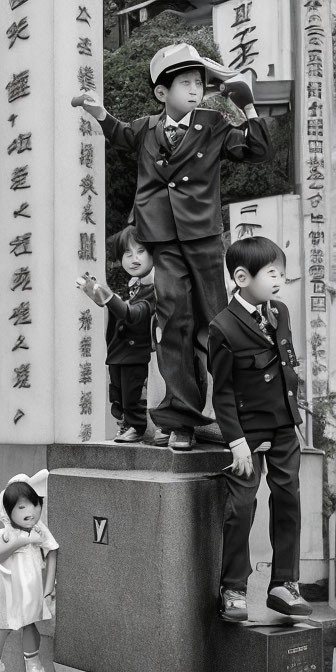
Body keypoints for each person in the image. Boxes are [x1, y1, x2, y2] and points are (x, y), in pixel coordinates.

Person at [73, 43, 273, 449]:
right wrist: (96, 110)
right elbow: (119, 133)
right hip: (162, 238)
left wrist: (248, 108)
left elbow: (257, 150)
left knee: (217, 322)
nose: (196, 88)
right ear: (162, 93)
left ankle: (238, 411)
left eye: (199, 82)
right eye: (185, 82)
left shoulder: (214, 123)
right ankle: (182, 419)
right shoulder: (147, 127)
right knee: (174, 323)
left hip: (201, 237)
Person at [208, 236, 309, 622]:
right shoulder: (223, 327)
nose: (280, 280)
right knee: (241, 507)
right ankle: (232, 587)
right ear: (241, 276)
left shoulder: (279, 311)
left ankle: (285, 585)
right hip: (246, 433)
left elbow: (285, 366)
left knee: (288, 500)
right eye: (272, 273)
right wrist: (236, 442)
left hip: (284, 426)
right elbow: (224, 391)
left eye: (281, 272)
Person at [77, 225, 155, 442]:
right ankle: (126, 424)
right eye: (127, 254)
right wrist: (96, 293)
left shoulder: (155, 289)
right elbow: (119, 310)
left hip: (137, 354)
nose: (134, 259)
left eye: (140, 252)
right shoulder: (134, 286)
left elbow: (132, 314)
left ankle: (137, 427)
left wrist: (104, 294)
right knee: (118, 396)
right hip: (119, 353)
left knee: (133, 395)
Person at [0, 470, 58, 672]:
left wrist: (48, 588)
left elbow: (52, 550)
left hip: (31, 588)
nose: (30, 511)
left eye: (34, 504)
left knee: (29, 623)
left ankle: (33, 663)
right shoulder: (5, 533)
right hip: (8, 587)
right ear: (8, 510)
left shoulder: (39, 529)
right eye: (21, 507)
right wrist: (19, 542)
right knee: (2, 623)